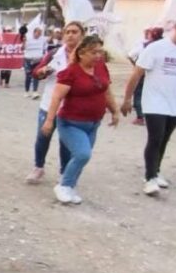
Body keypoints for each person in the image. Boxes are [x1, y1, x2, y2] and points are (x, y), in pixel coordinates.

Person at [122, 11, 176, 196]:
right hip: (154, 102)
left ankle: (156, 171)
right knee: (155, 138)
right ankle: (149, 178)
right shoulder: (156, 48)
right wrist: (127, 99)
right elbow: (137, 74)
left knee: (165, 139)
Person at [42, 35, 120, 205]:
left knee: (81, 157)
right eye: (94, 52)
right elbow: (56, 98)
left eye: (100, 51)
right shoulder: (71, 72)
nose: (98, 56)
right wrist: (49, 121)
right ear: (82, 53)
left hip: (93, 123)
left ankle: (70, 187)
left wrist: (114, 110)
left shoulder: (101, 68)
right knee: (83, 154)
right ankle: (63, 185)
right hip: (70, 122)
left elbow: (106, 91)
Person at [25, 21, 84, 184]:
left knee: (66, 142)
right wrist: (42, 71)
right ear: (63, 35)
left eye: (75, 32)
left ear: (82, 35)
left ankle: (64, 172)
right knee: (43, 137)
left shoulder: (86, 56)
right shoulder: (54, 54)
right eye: (68, 32)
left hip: (72, 108)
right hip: (49, 104)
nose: (71, 35)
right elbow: (36, 72)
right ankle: (38, 167)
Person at [127, 27, 165, 126]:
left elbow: (130, 55)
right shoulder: (165, 45)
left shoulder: (145, 45)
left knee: (138, 93)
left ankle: (140, 117)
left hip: (143, 72)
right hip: (159, 75)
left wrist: (136, 65)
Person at [23, 26, 47, 98]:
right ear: (34, 32)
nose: (39, 34)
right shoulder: (28, 39)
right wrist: (24, 42)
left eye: (40, 33)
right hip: (28, 59)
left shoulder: (42, 39)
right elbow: (23, 48)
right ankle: (26, 91)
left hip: (38, 60)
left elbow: (45, 47)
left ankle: (35, 91)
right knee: (28, 76)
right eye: (38, 33)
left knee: (36, 75)